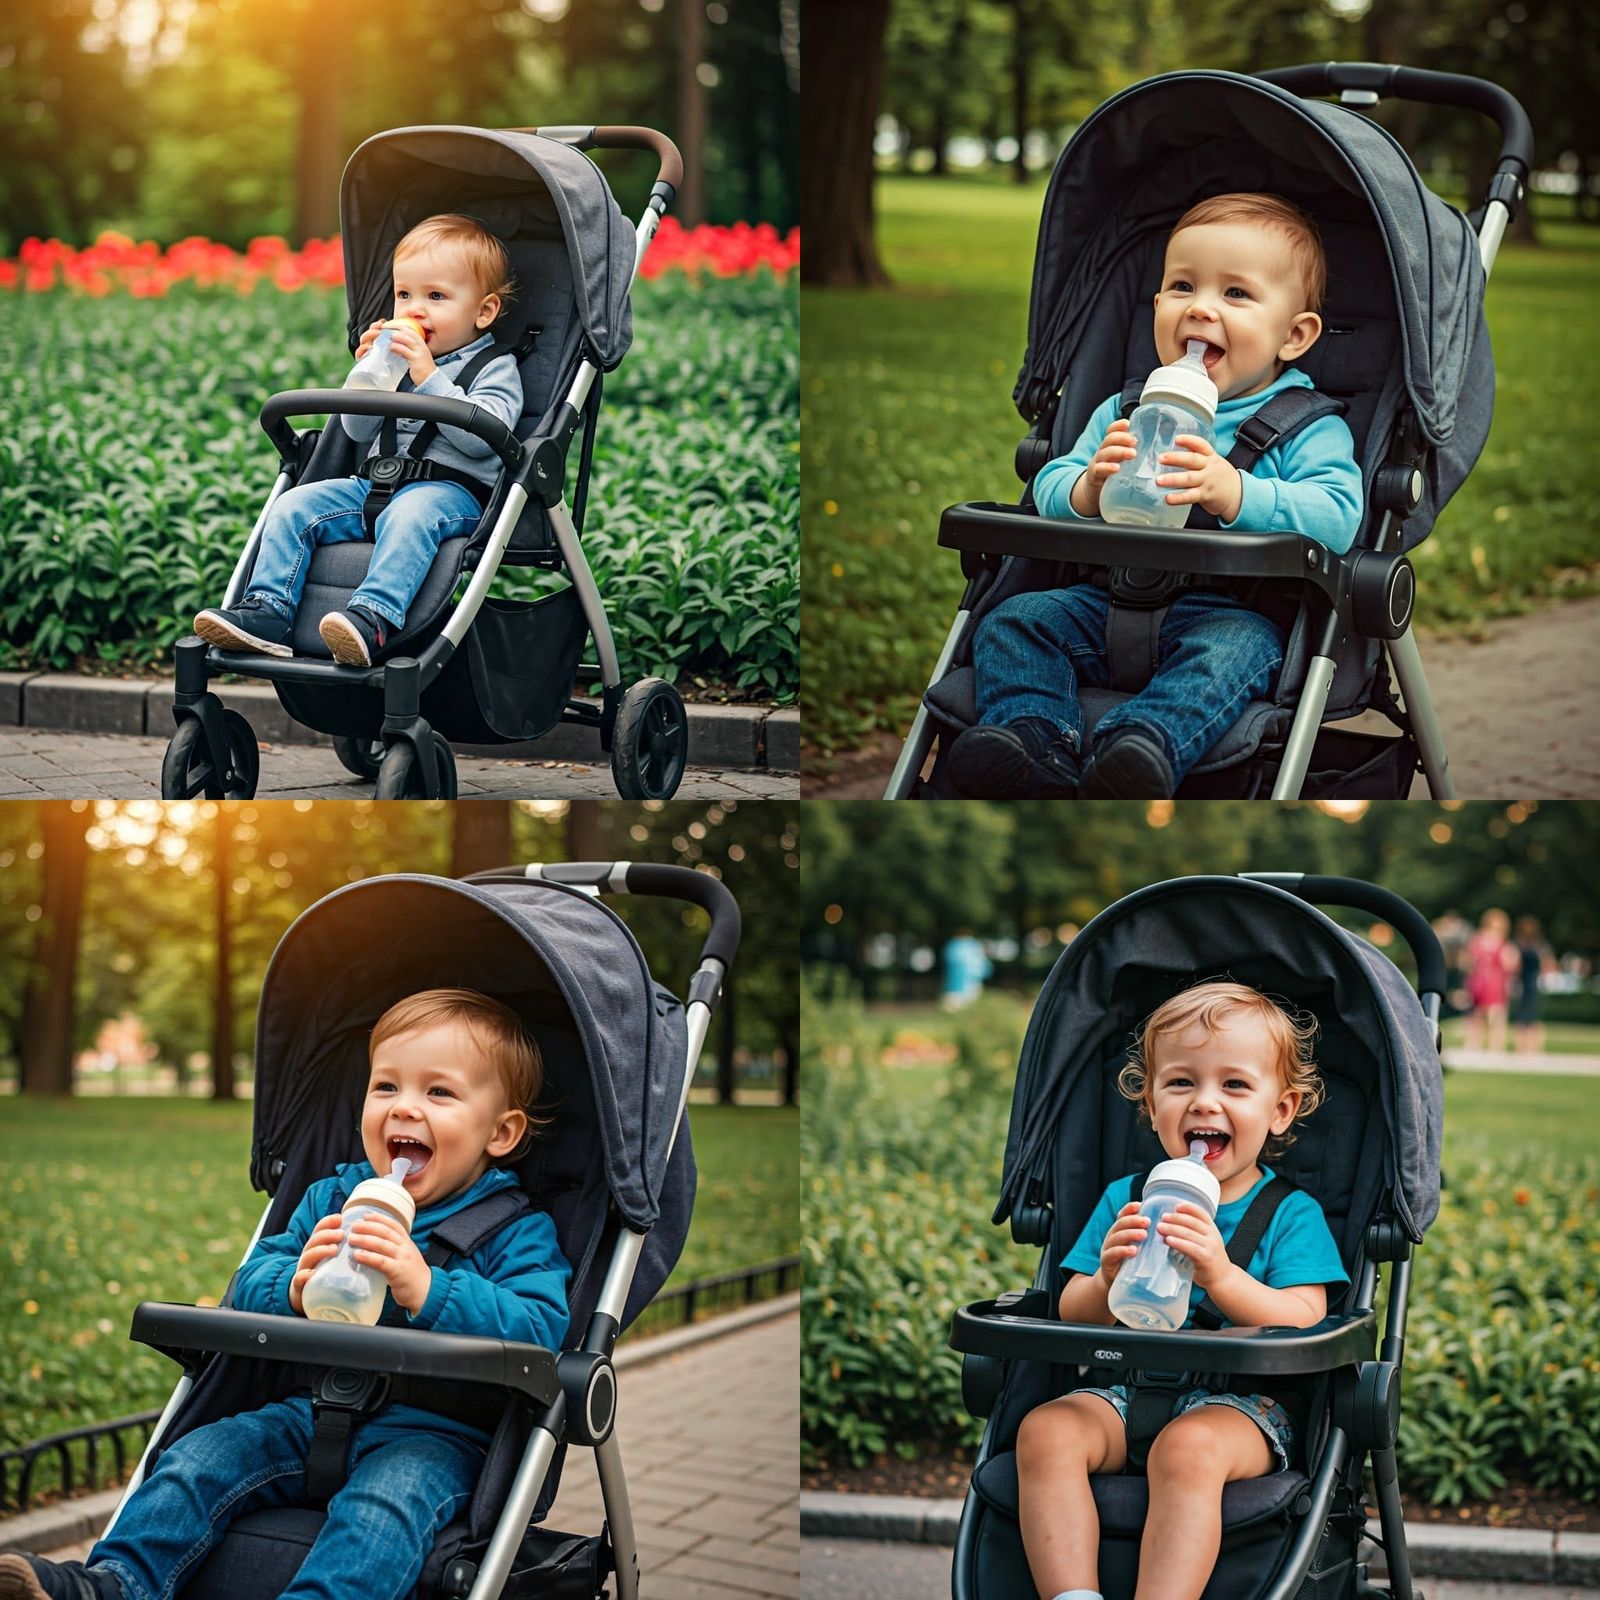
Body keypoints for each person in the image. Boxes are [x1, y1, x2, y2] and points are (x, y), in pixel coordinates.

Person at [0, 988, 570, 1600]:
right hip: (310, 1413)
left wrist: (430, 1289)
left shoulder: (514, 1228)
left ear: (501, 1132)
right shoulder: (333, 1198)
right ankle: (114, 1585)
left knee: (384, 1511)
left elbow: (540, 1327)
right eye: (385, 1087)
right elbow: (250, 1279)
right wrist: (294, 1287)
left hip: (433, 1436)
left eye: (439, 1092)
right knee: (200, 1458)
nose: (403, 1108)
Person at [949, 193, 1363, 800]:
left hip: (1225, 614)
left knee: (1241, 649)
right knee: (1014, 621)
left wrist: (1236, 492)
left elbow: (1337, 520)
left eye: (1236, 294)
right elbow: (1048, 487)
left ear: (1294, 335)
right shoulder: (1124, 410)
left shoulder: (1307, 425)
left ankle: (1142, 745)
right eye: (1181, 286)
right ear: (1156, 303)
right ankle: (1035, 739)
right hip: (1098, 604)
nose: (1199, 309)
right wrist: (1089, 486)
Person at [1015, 980, 1347, 1600]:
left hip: (1242, 1409)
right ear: (1149, 1103)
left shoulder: (1290, 1213)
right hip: (1120, 1387)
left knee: (1187, 1448)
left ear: (1281, 1110)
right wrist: (1107, 1278)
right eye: (1181, 1083)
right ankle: (1072, 1596)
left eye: (1235, 1085)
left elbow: (1306, 1318)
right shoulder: (1127, 1200)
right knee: (1045, 1431)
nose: (1204, 1104)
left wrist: (1221, 1274)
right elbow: (1072, 1315)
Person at [194, 214, 524, 667]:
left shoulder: (494, 368)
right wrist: (368, 375)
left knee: (411, 514)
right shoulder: (395, 360)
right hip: (373, 487)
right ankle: (268, 610)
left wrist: (429, 378)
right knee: (294, 505)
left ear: (483, 312)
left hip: (450, 497)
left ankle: (372, 618)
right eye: (404, 294)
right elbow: (357, 431)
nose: (414, 309)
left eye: (436, 296)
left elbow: (486, 439)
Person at [1464, 908, 1518, 1054]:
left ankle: (1481, 1044)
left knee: (1485, 1014)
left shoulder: (1479, 940)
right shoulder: (1500, 942)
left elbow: (1469, 961)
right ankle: (1490, 1045)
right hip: (1490, 980)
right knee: (1488, 1015)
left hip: (1487, 979)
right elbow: (1510, 963)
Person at [1512, 914, 1553, 1056]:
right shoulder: (1535, 945)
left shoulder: (1534, 945)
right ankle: (1527, 1047)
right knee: (1528, 1016)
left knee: (1530, 1016)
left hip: (1531, 982)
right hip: (1528, 982)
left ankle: (1529, 1047)